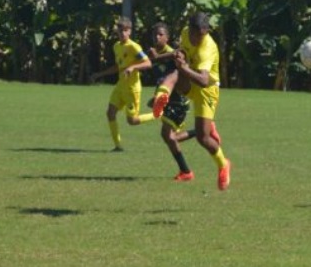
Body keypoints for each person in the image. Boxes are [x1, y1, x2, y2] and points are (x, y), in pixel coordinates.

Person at [151, 12, 231, 190]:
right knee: (175, 73)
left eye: (201, 35)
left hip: (207, 90)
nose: (196, 38)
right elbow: (181, 53)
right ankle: (161, 98)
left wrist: (184, 67)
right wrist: (177, 59)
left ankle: (223, 164)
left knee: (203, 138)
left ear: (206, 32)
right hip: (189, 80)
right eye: (195, 34)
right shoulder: (186, 32)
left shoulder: (208, 47)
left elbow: (203, 80)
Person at [90, 16, 154, 152]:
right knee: (110, 113)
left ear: (129, 31)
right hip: (120, 87)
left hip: (132, 89)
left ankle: (157, 114)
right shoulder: (116, 46)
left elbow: (148, 63)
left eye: (125, 30)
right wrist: (100, 75)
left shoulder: (134, 47)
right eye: (120, 31)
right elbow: (118, 67)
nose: (123, 33)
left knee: (132, 121)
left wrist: (132, 67)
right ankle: (118, 146)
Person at [146, 22, 200, 181]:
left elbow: (179, 56)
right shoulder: (154, 55)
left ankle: (201, 134)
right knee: (169, 136)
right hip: (169, 101)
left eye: (160, 34)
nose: (157, 37)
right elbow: (162, 80)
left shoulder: (172, 54)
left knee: (169, 136)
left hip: (179, 102)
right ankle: (186, 170)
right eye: (155, 35)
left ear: (167, 37)